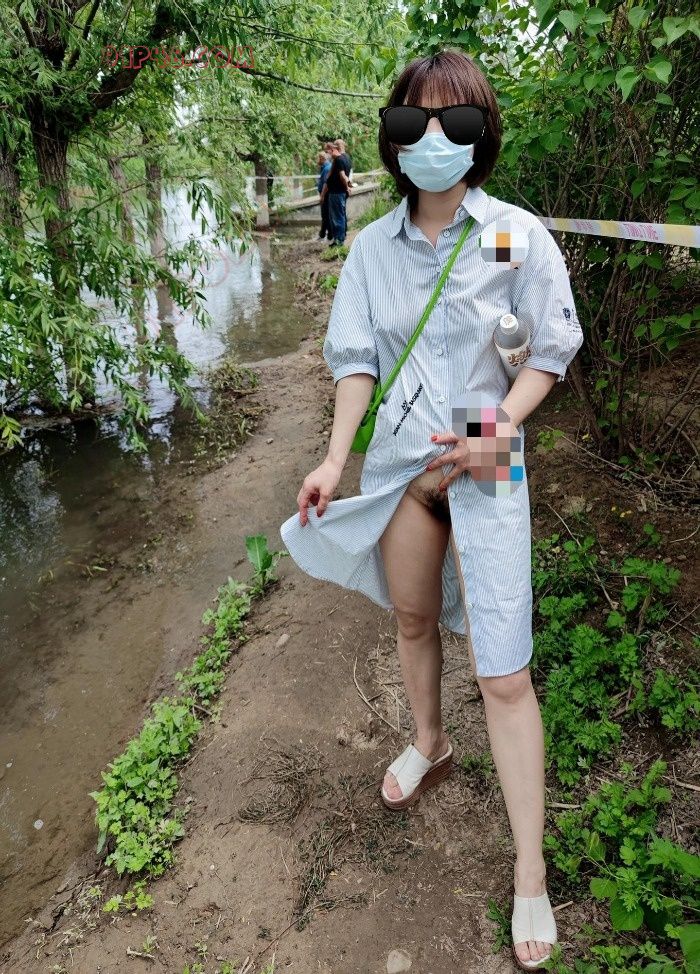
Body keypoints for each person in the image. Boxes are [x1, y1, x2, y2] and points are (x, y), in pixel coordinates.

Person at [279, 48, 584, 971]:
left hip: (486, 460)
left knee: (504, 671)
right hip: (405, 466)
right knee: (412, 619)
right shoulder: (373, 250)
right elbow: (356, 361)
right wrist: (336, 458)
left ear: (482, 134)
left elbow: (549, 347)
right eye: (417, 121)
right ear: (395, 136)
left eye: (458, 121)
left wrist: (498, 424)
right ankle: (431, 741)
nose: (436, 138)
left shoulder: (511, 236)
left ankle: (529, 869)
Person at [320, 140, 351, 247]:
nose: (328, 154)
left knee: (337, 217)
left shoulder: (339, 160)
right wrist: (347, 186)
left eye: (329, 151)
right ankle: (340, 237)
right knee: (340, 215)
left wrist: (347, 187)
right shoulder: (346, 158)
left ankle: (339, 240)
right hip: (340, 192)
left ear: (335, 148)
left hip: (336, 193)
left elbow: (342, 176)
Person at [316, 150, 332, 240]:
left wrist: (322, 196)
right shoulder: (325, 168)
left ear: (322, 158)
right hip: (326, 195)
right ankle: (324, 234)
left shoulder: (326, 169)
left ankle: (327, 235)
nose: (317, 161)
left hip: (326, 196)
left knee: (325, 216)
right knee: (326, 216)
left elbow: (326, 183)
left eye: (318, 158)